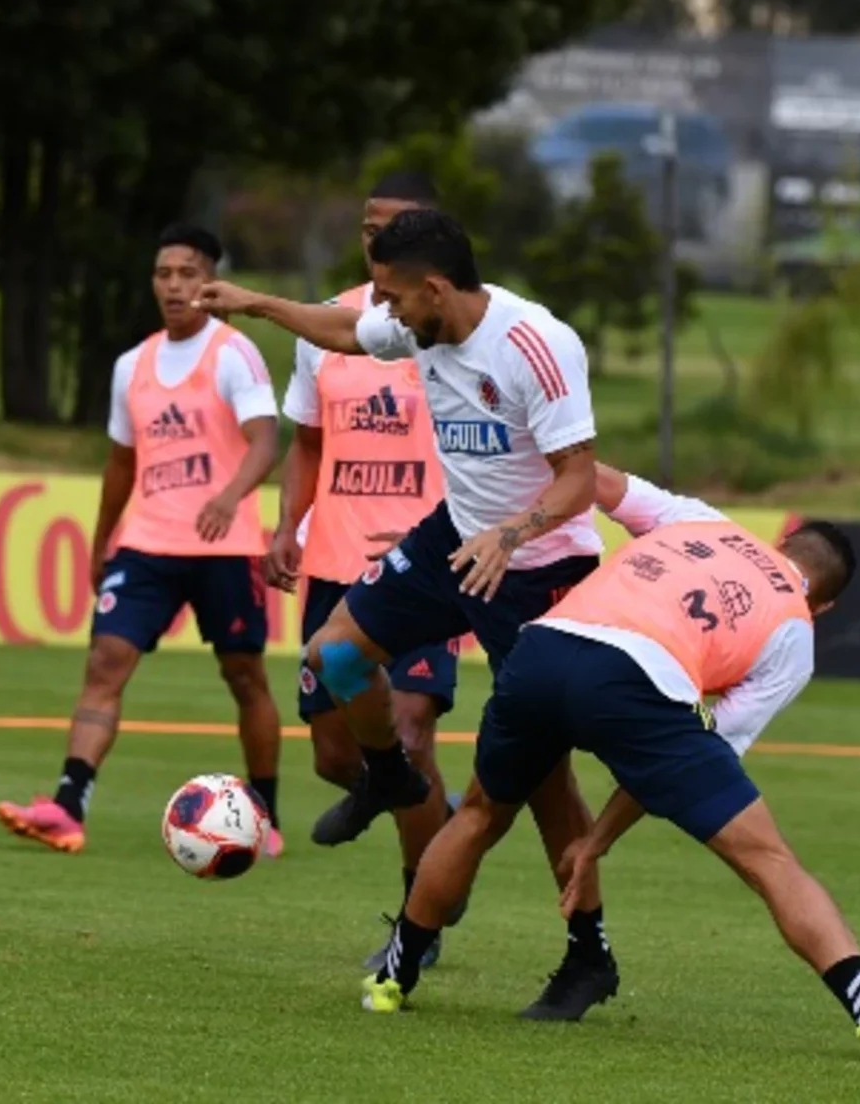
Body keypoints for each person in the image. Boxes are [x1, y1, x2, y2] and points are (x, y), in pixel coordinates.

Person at [364, 465, 860, 1066]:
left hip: (542, 650)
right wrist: (595, 844)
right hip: (634, 679)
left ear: (779, 544)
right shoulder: (795, 632)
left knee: (476, 817)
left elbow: (594, 478)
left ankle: (392, 979)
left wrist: (497, 510)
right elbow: (688, 747)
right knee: (769, 860)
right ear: (823, 606)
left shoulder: (701, 519)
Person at [196, 208, 618, 1022]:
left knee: (544, 781)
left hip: (538, 572)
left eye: (392, 295)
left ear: (436, 287)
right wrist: (255, 304)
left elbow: (578, 477)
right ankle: (389, 772)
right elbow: (344, 331)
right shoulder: (416, 324)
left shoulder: (536, 342)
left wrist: (511, 533)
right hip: (452, 541)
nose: (382, 309)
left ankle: (587, 953)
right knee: (334, 657)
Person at [0, 224, 286, 857]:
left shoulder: (233, 353)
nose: (174, 286)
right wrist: (103, 540)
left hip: (224, 545)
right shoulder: (132, 365)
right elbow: (121, 463)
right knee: (105, 662)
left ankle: (265, 814)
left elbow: (265, 441)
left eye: (188, 273)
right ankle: (68, 804)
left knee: (244, 676)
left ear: (210, 280)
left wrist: (230, 496)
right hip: (148, 543)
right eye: (163, 274)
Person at [272, 171, 464, 970]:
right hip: (334, 566)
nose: (377, 239)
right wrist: (287, 524)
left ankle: (419, 922)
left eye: (396, 225)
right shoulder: (327, 326)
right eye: (368, 227)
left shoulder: (451, 326)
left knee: (410, 735)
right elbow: (307, 442)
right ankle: (444, 820)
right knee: (336, 757)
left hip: (423, 571)